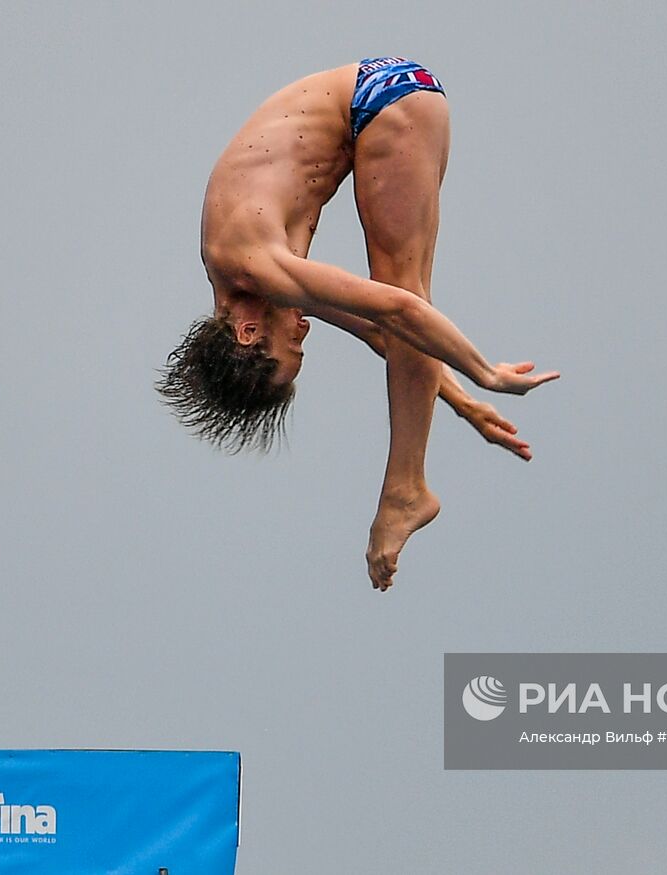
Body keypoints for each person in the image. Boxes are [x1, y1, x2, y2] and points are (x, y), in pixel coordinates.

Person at [159, 56, 559, 591]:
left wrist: (488, 374)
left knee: (401, 289)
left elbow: (401, 311)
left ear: (248, 336)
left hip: (382, 102)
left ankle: (404, 490)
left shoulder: (255, 265)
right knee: (398, 309)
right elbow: (379, 333)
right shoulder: (248, 284)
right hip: (389, 99)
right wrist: (463, 404)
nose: (304, 333)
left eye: (293, 350)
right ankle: (408, 484)